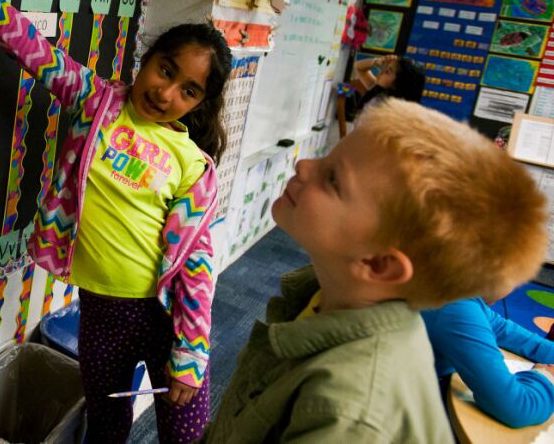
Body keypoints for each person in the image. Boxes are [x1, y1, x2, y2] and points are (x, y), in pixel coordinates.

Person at [0, 0, 231, 444]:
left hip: (165, 318)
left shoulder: (191, 164)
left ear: (199, 104)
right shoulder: (97, 102)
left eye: (188, 91)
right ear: (146, 59)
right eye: (165, 70)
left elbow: (197, 265)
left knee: (186, 434)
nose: (166, 93)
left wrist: (190, 352)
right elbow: (31, 47)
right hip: (101, 311)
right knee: (106, 426)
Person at [201, 99, 547, 442]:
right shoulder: (324, 292)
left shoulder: (348, 415)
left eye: (332, 178)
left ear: (378, 264)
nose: (303, 165)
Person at [422, 296, 554, 428]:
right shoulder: (456, 306)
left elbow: (503, 330)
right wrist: (547, 376)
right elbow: (517, 408)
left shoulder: (459, 297)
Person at [352, 54, 426, 113]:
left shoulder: (392, 112)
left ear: (398, 84)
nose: (381, 71)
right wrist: (378, 61)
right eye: (386, 67)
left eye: (388, 71)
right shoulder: (378, 90)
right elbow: (358, 67)